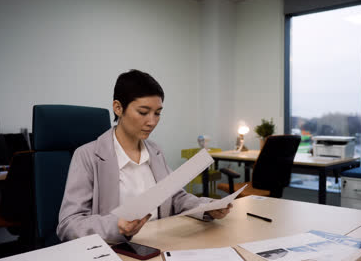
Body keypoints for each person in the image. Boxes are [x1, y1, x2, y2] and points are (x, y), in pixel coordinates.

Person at [57, 69, 232, 243]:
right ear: (118, 108)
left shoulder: (155, 151)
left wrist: (207, 207)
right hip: (116, 249)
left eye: (157, 113)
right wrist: (116, 225)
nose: (152, 122)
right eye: (143, 112)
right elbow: (69, 224)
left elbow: (176, 197)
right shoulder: (87, 156)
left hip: (159, 244)